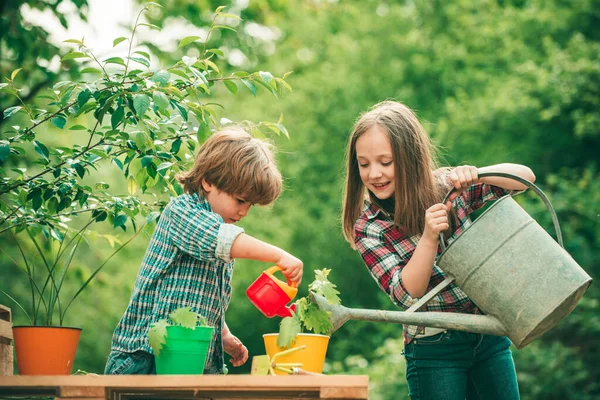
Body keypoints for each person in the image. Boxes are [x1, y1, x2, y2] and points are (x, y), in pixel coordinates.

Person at [342, 101, 535, 399]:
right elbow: (407, 294)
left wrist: (478, 173)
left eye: (385, 161)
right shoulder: (369, 226)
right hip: (434, 349)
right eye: (364, 164)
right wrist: (429, 237)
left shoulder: (447, 186)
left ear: (409, 158)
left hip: (487, 335)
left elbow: (525, 179)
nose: (374, 173)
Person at [105, 127, 303, 375]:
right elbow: (222, 240)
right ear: (208, 181)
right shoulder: (183, 212)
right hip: (145, 359)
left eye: (250, 205)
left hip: (189, 360)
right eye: (240, 200)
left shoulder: (222, 232)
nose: (244, 212)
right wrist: (279, 256)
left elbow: (202, 299)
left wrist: (222, 334)